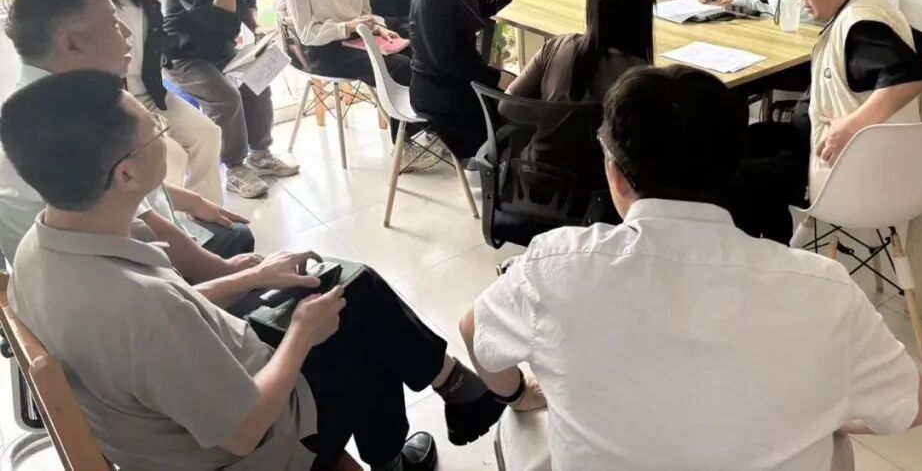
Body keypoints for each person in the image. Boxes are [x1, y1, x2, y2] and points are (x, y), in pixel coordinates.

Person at [1, 71, 535, 471]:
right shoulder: (138, 309)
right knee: (363, 330)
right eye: (155, 131)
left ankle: (453, 394)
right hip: (248, 449)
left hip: (190, 403)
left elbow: (172, 314)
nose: (165, 136)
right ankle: (419, 428)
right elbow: (244, 431)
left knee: (348, 288)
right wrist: (300, 335)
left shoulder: (38, 250)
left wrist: (252, 276)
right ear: (126, 175)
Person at [460, 65, 922, 471]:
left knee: (520, 425)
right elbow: (915, 407)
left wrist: (518, 394)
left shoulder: (554, 266)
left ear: (616, 174)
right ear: (733, 168)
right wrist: (826, 412)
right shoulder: (824, 289)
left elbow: (473, 330)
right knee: (835, 445)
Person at [0, 0, 254, 266]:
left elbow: (134, 193)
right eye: (113, 22)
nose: (127, 32)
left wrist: (194, 201)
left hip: (124, 255)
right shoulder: (62, 124)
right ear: (71, 44)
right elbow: (144, 227)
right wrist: (229, 272)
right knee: (241, 242)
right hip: (114, 273)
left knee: (231, 232)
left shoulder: (43, 101)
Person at [737, 0, 922, 243]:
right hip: (836, 151)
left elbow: (912, 75)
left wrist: (851, 126)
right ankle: (775, 249)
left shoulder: (860, 24)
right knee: (750, 138)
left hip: (843, 168)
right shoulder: (867, 6)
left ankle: (768, 258)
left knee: (736, 178)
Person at [76, 0, 225, 204]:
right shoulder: (86, 3)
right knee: (171, 155)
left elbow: (159, 45)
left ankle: (207, 211)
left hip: (153, 93)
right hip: (117, 103)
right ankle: (172, 220)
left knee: (209, 135)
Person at [285, 0, 435, 170]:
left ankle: (430, 124)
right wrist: (347, 27)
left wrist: (379, 28)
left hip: (361, 39)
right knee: (398, 66)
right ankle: (404, 146)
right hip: (326, 51)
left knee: (417, 54)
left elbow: (365, 13)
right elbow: (307, 32)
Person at [164, 0, 298, 199]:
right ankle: (235, 167)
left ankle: (260, 154)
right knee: (226, 97)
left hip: (222, 51)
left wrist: (256, 27)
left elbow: (246, 3)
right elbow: (220, 20)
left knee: (257, 83)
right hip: (185, 57)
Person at [499, 0, 654, 178]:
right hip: (603, 188)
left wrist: (554, 116)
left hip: (537, 179)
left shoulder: (556, 46)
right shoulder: (641, 76)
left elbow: (507, 105)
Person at [409, 0, 516, 160]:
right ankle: (491, 168)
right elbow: (446, 62)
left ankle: (499, 167)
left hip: (458, 77)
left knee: (516, 102)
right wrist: (495, 77)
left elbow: (478, 8)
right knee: (510, 115)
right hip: (437, 88)